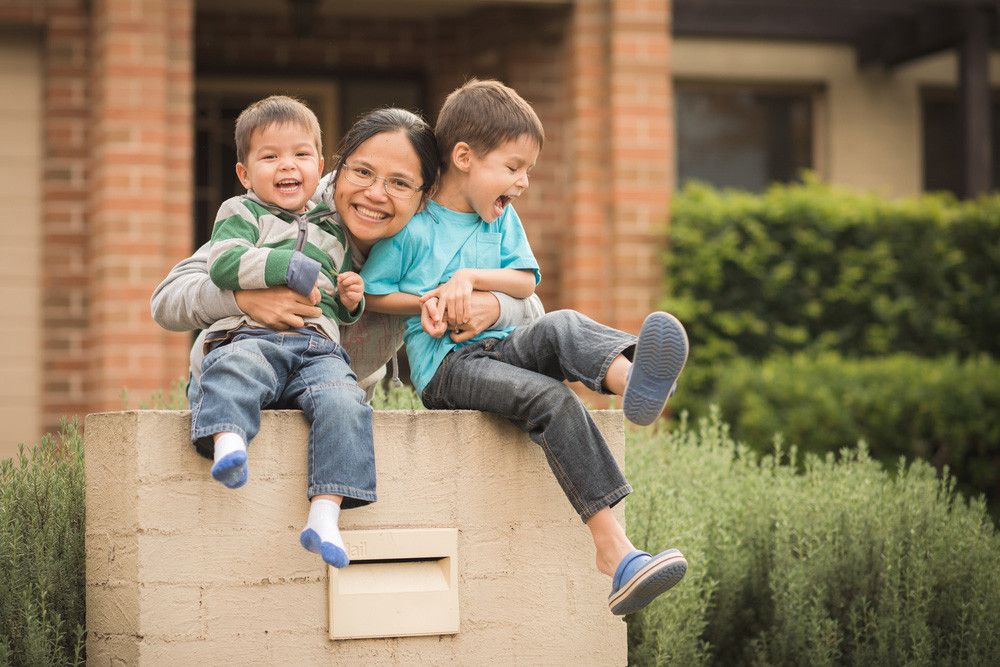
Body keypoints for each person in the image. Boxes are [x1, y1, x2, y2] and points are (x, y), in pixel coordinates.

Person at [150, 105, 545, 564]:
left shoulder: (433, 242)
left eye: (399, 183)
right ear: (334, 170)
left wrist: (489, 303)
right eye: (361, 172)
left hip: (326, 407)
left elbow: (533, 310)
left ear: (426, 196)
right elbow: (167, 298)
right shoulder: (293, 212)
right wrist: (245, 300)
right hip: (242, 389)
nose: (375, 194)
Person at [360, 79, 690, 616]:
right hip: (447, 368)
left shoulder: (501, 219)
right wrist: (429, 300)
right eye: (514, 167)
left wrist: (471, 277)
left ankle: (632, 381)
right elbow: (373, 293)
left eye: (528, 170)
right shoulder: (415, 227)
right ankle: (617, 554)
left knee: (559, 324)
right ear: (465, 157)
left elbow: (525, 282)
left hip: (504, 342)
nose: (524, 182)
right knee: (551, 399)